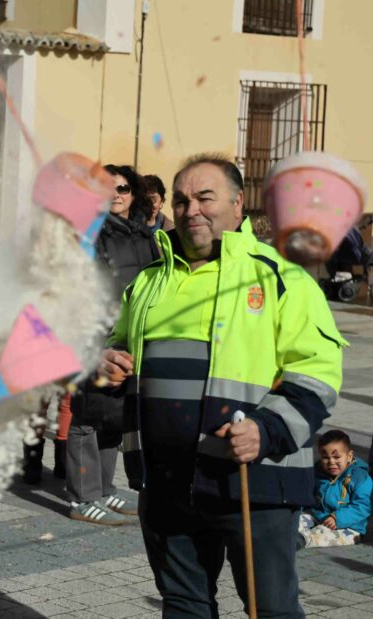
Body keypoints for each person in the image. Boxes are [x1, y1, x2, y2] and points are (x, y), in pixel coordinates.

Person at [99, 154, 345, 617]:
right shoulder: (148, 282)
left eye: (205, 197)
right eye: (181, 200)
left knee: (270, 609)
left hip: (254, 482)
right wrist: (106, 365)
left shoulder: (281, 277)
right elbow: (116, 348)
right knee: (184, 606)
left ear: (237, 204)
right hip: (166, 483)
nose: (191, 209)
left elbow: (318, 370)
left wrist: (268, 429)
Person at [66, 164, 157, 525]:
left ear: (134, 194)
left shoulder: (143, 234)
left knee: (113, 415)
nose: (115, 195)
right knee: (86, 415)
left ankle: (104, 489)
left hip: (127, 333)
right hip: (92, 333)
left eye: (123, 188)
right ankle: (82, 498)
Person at [298, 430, 371, 548]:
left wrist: (338, 518)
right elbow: (306, 494)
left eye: (336, 457)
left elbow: (363, 506)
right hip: (318, 516)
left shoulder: (360, 477)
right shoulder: (317, 471)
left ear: (349, 456)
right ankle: (283, 536)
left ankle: (300, 540)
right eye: (325, 457)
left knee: (321, 535)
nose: (331, 462)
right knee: (295, 522)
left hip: (348, 527)